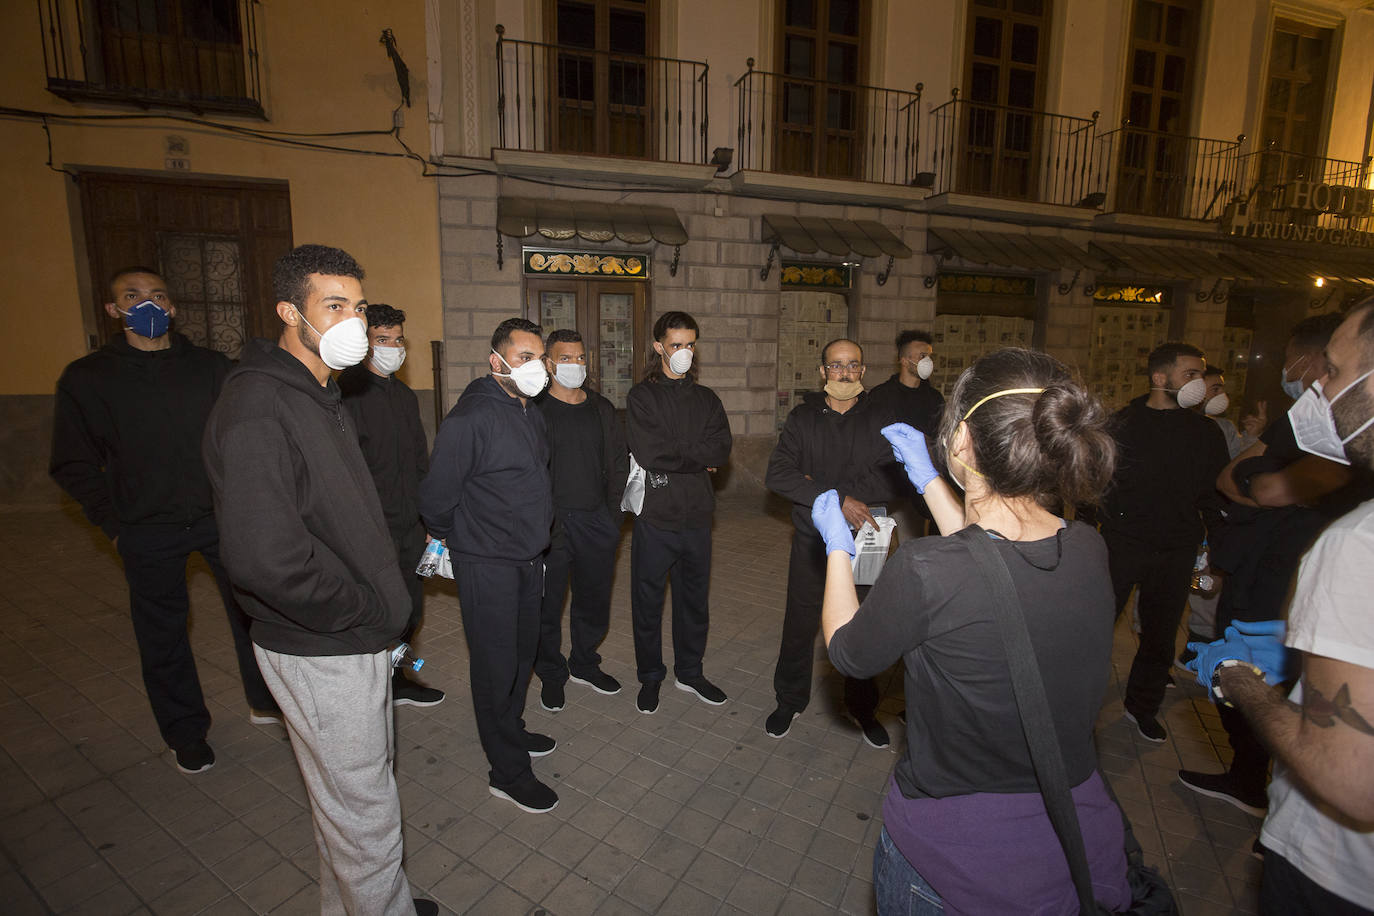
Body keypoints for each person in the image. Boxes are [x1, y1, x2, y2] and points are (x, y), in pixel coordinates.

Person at [815, 347, 1131, 913]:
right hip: (1066, 838)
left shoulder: (926, 568)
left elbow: (848, 651)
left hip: (955, 857)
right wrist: (931, 481)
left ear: (962, 439)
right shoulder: (1088, 547)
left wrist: (838, 549)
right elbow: (989, 560)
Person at [202, 244, 435, 915]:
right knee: (367, 818)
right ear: (289, 312)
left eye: (358, 307)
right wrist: (362, 611)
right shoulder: (258, 409)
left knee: (346, 806)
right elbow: (264, 559)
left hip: (346, 637)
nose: (354, 323)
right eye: (334, 306)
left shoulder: (320, 394)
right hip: (324, 645)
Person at [1185, 301, 1374, 914]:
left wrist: (1246, 681)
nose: (1318, 386)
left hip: (1338, 876)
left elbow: (1348, 778)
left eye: (1336, 370)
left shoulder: (1358, 542)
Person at [50, 265, 275, 776]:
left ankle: (266, 701)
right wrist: (113, 523)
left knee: (256, 617)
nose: (147, 304)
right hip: (147, 528)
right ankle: (185, 731)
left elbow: (244, 435)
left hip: (222, 520)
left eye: (157, 295)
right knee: (163, 635)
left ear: (172, 307)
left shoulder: (211, 367)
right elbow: (72, 462)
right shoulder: (89, 378)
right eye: (132, 295)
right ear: (114, 310)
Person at [419, 317, 558, 814]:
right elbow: (436, 497)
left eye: (540, 357)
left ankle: (512, 732)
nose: (536, 367)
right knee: (495, 665)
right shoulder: (471, 418)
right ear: (496, 361)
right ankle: (507, 771)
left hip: (526, 558)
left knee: (522, 655)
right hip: (489, 563)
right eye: (525, 357)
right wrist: (463, 542)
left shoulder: (527, 409)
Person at [764, 338, 895, 746]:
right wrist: (840, 498)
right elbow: (779, 474)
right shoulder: (804, 418)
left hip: (863, 543)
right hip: (811, 542)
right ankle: (790, 699)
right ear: (823, 372)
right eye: (836, 366)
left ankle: (861, 706)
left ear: (863, 371)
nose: (844, 373)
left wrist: (817, 486)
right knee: (800, 625)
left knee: (861, 626)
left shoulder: (880, 417)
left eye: (852, 365)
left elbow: (890, 476)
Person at [1098, 342, 1230, 742]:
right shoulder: (1120, 424)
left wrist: (1217, 557)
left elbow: (1214, 499)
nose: (1199, 383)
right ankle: (1076, 703)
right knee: (1096, 628)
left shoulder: (1205, 433)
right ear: (1160, 378)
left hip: (1176, 549)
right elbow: (1096, 485)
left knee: (1160, 636)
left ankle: (1143, 707)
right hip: (1122, 545)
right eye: (1190, 374)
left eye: (1199, 374)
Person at [626, 311, 733, 714]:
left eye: (690, 345)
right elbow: (649, 452)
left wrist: (678, 453)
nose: (684, 353)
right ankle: (650, 676)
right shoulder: (642, 397)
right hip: (656, 517)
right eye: (675, 345)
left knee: (694, 604)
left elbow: (720, 449)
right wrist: (695, 456)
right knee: (648, 602)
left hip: (698, 520)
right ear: (659, 347)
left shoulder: (707, 399)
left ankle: (690, 671)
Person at [340, 303, 444, 708]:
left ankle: (401, 678)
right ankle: (367, 686)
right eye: (382, 340)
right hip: (370, 527)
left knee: (408, 609)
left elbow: (420, 459)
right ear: (364, 343)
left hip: (409, 525)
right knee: (374, 609)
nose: (393, 348)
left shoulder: (402, 395)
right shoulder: (345, 394)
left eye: (398, 340)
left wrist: (431, 518)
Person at [533, 328, 628, 712]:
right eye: (566, 358)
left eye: (580, 358)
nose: (575, 365)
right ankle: (551, 673)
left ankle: (585, 663)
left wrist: (612, 519)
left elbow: (618, 465)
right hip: (549, 528)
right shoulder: (535, 408)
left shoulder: (601, 409)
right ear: (549, 363)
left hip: (595, 522)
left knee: (593, 600)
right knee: (547, 606)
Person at [868, 329, 945, 542]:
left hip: (919, 483)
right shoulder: (881, 396)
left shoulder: (934, 398)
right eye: (922, 356)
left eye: (930, 355)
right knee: (881, 542)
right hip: (887, 482)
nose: (927, 361)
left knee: (914, 540)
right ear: (904, 360)